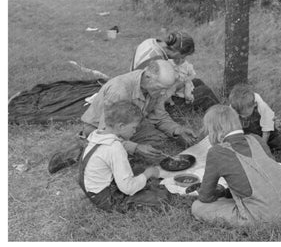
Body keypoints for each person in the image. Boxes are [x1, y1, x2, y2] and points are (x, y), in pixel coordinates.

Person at [48, 60, 197, 174]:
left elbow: (158, 115)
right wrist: (136, 148)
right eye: (161, 89)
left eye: (166, 89)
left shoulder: (156, 89)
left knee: (157, 142)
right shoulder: (120, 90)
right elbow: (106, 130)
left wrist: (178, 130)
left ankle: (115, 150)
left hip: (129, 124)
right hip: (99, 129)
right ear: (149, 77)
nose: (164, 94)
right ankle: (84, 148)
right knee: (117, 154)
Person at [78, 101, 163, 212]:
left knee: (138, 169)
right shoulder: (114, 147)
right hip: (104, 197)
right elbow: (128, 188)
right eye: (134, 127)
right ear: (121, 126)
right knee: (161, 198)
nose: (135, 131)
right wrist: (149, 173)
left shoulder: (98, 134)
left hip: (89, 188)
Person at [131, 31, 219, 112]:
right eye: (183, 56)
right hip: (150, 106)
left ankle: (209, 111)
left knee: (197, 82)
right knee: (205, 92)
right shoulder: (158, 62)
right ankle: (224, 116)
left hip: (139, 88)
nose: (183, 59)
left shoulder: (150, 42)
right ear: (176, 51)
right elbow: (162, 95)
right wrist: (181, 84)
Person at [228, 84, 281, 157]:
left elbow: (266, 132)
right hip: (249, 135)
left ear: (254, 105)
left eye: (245, 114)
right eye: (239, 113)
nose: (243, 116)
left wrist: (262, 149)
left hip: (268, 133)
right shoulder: (233, 107)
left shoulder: (263, 107)